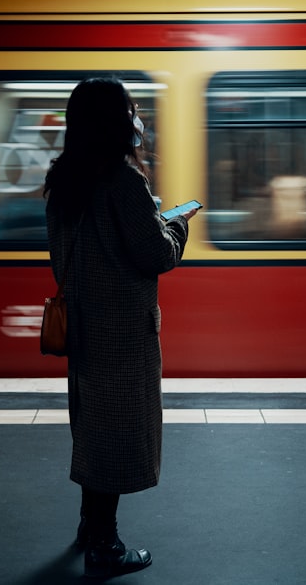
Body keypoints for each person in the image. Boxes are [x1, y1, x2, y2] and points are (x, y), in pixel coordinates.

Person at [43, 77, 197, 579]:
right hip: (123, 332)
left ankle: (91, 525)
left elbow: (59, 257)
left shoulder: (62, 179)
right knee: (117, 431)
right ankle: (105, 545)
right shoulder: (124, 182)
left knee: (92, 427)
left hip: (85, 327)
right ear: (116, 122)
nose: (137, 120)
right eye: (131, 111)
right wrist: (177, 226)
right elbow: (155, 255)